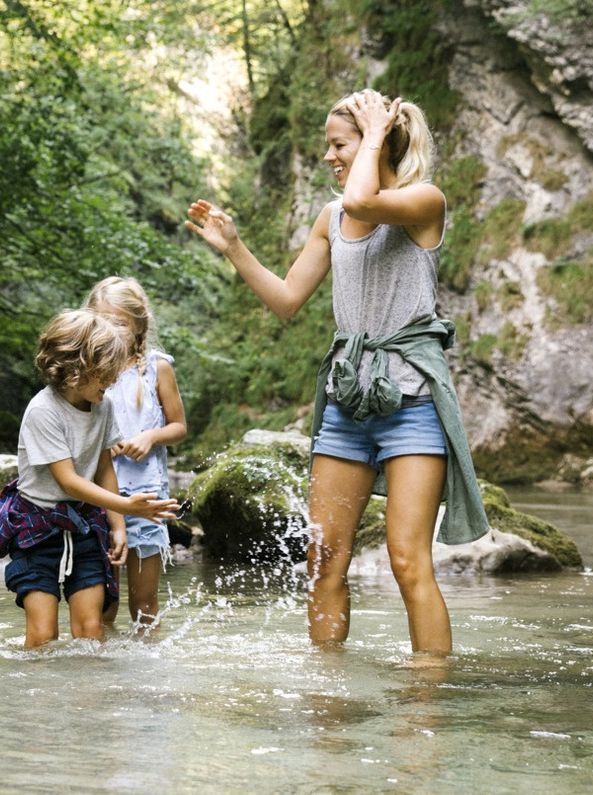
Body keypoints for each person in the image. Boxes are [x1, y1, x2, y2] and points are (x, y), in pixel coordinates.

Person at [185, 89, 488, 655]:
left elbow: (368, 203)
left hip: (411, 405)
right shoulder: (332, 216)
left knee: (407, 561)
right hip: (347, 404)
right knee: (324, 561)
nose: (329, 156)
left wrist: (373, 135)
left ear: (379, 141)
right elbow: (286, 299)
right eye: (329, 145)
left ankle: (429, 706)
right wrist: (234, 247)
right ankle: (329, 698)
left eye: (339, 144)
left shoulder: (424, 201)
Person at [0, 309, 180, 648]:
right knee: (43, 634)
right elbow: (68, 481)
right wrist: (127, 505)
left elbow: (104, 465)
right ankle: (35, 699)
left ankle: (90, 697)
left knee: (91, 630)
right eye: (106, 374)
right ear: (76, 370)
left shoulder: (103, 405)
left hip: (84, 522)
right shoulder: (43, 412)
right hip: (38, 527)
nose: (112, 382)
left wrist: (119, 525)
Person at [83, 277, 188, 632]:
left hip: (146, 499)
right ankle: (106, 676)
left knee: (144, 604)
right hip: (99, 497)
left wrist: (150, 437)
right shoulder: (88, 370)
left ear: (138, 325)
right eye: (103, 321)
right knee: (103, 602)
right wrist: (101, 441)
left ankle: (148, 678)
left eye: (120, 323)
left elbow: (179, 427)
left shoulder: (158, 368)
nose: (111, 330)